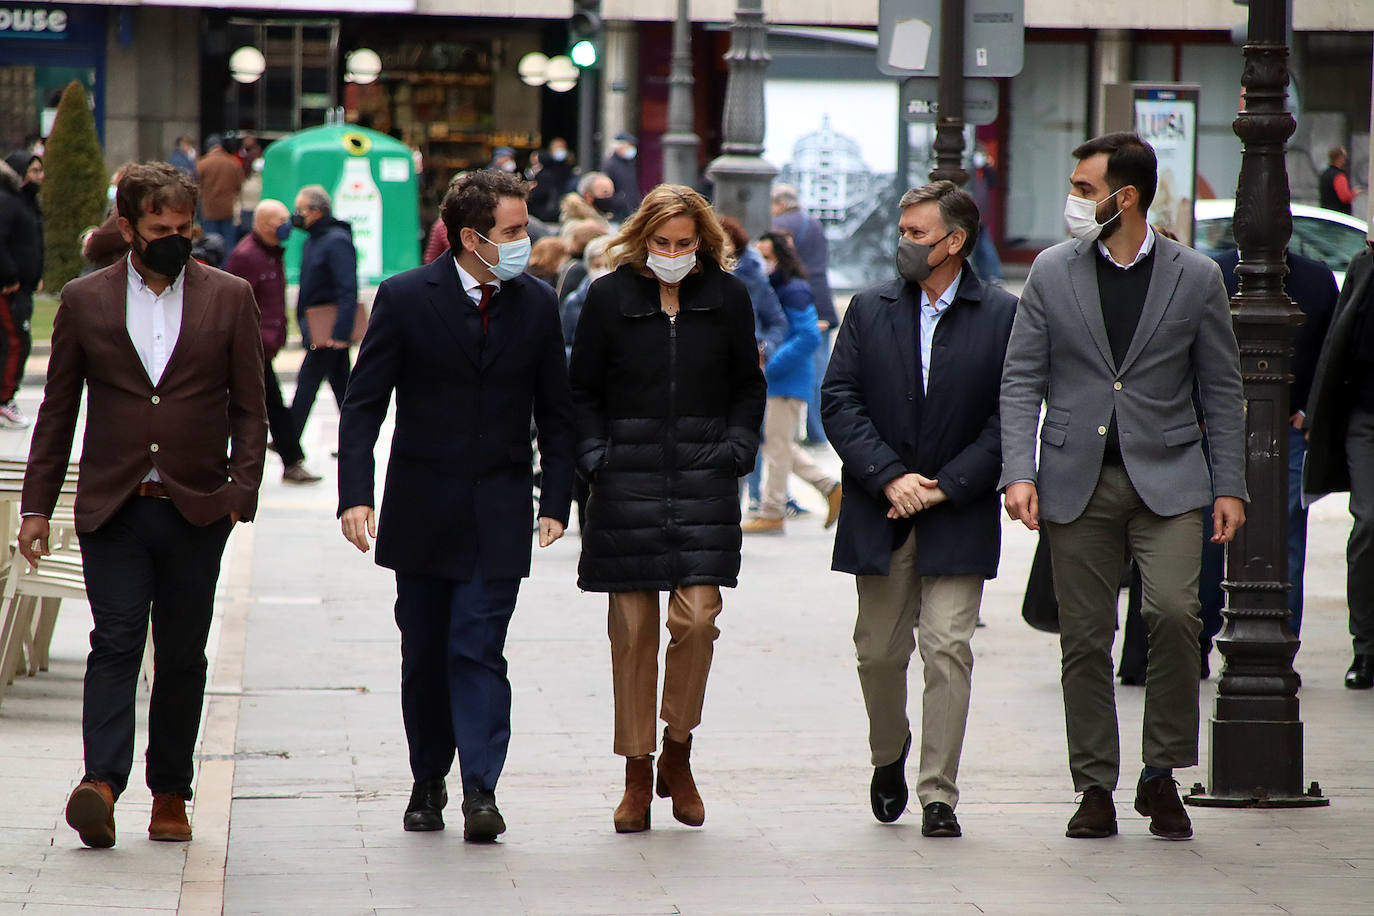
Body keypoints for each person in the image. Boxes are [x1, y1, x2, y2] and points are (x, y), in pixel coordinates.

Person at [999, 132, 1247, 841]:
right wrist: (1019, 472)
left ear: (1125, 196)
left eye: (1083, 189)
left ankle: (1161, 774)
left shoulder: (1194, 276)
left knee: (1174, 617)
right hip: (1076, 483)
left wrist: (1228, 484)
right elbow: (1021, 380)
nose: (1073, 201)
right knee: (1084, 639)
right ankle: (1095, 786)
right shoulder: (1050, 271)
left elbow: (1221, 389)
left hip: (1171, 481)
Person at [18, 162, 267, 849]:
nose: (177, 240)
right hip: (115, 506)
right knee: (116, 640)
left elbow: (252, 406)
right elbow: (58, 408)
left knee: (183, 655)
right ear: (127, 227)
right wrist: (36, 506)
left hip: (196, 507)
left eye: (185, 229)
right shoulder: (85, 299)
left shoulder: (229, 295)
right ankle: (101, 782)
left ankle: (169, 793)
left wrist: (240, 492)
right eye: (161, 229)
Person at [338, 169, 573, 842]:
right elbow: (362, 406)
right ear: (470, 238)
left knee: (478, 649)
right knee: (424, 655)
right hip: (421, 509)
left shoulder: (537, 302)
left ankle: (481, 790)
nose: (527, 240)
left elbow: (557, 414)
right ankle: (426, 778)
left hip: (498, 509)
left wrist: (556, 497)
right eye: (514, 230)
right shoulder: (407, 298)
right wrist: (356, 494)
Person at [568, 184, 765, 833]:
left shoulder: (728, 299)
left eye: (684, 244)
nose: (672, 254)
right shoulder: (607, 296)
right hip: (626, 479)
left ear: (702, 244)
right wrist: (596, 454)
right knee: (631, 635)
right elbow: (583, 390)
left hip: (706, 476)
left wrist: (739, 447)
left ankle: (677, 752)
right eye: (661, 243)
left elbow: (747, 385)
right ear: (641, 238)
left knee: (700, 618)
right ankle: (635, 771)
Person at [822, 181, 1016, 838]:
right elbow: (839, 400)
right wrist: (889, 476)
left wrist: (946, 484)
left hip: (957, 510)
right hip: (882, 509)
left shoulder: (1001, 315)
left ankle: (938, 793)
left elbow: (1009, 418)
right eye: (903, 232)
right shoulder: (869, 308)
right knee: (877, 653)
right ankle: (889, 754)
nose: (902, 243)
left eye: (915, 234)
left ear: (954, 242)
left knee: (947, 647)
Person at [1215, 249, 1336, 641]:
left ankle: (1281, 638)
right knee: (1208, 534)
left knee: (1285, 540)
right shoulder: (1214, 272)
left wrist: (1310, 412)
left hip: (1288, 431)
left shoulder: (1316, 279)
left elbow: (1330, 351)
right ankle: (1198, 641)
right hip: (1221, 428)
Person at [1304, 241, 1374, 689]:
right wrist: (1316, 412)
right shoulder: (1364, 266)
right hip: (1364, 418)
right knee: (1369, 521)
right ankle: (1366, 647)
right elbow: (1336, 342)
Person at [743, 231, 840, 535]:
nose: (763, 263)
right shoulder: (773, 287)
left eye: (768, 257)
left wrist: (770, 364)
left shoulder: (794, 289)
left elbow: (808, 336)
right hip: (778, 379)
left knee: (778, 446)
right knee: (778, 444)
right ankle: (831, 488)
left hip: (786, 380)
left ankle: (773, 511)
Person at [223, 199, 323, 485]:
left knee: (261, 406)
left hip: (264, 346)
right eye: (281, 221)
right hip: (250, 348)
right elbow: (234, 303)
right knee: (269, 406)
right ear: (265, 225)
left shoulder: (271, 252)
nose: (288, 225)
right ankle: (291, 462)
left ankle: (288, 461)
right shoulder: (246, 255)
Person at [288, 185, 358, 437]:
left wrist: (341, 333)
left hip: (328, 330)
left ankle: (289, 440)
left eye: (301, 209)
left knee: (307, 384)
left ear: (316, 212)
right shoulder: (312, 240)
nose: (296, 214)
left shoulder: (336, 240)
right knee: (343, 388)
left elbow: (348, 289)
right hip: (316, 327)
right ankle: (355, 437)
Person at [771, 183, 837, 446]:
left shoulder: (779, 224)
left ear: (779, 203)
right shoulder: (814, 223)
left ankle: (803, 431)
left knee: (798, 366)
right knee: (820, 371)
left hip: (799, 300)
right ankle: (818, 432)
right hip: (823, 298)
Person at [0, 151, 43, 428]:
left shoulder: (25, 203)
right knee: (16, 341)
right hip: (9, 289)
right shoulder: (7, 202)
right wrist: (10, 276)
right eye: (34, 171)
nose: (40, 177)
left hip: (23, 287)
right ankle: (4, 400)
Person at [195, 135, 244, 249]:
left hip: (209, 210)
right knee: (228, 244)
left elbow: (195, 185)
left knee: (210, 244)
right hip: (228, 209)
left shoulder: (203, 163)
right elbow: (239, 185)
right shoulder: (233, 162)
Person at [967, 146, 1005, 286]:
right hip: (973, 218)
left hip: (980, 219)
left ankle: (994, 275)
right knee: (979, 249)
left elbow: (994, 181)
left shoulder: (984, 174)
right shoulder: (970, 174)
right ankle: (988, 275)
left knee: (985, 247)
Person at [527, 137, 575, 223]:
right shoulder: (544, 172)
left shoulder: (568, 168)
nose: (560, 150)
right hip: (545, 212)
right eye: (557, 147)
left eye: (562, 147)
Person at [601, 132, 642, 219]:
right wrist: (620, 202)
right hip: (618, 214)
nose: (630, 148)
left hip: (630, 212)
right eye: (628, 145)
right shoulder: (610, 165)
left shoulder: (629, 163)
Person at [1319, 146, 1362, 216]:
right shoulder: (1339, 176)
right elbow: (1345, 197)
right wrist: (1354, 193)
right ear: (1340, 158)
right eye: (1344, 157)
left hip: (1326, 214)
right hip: (1339, 217)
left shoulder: (1324, 174)